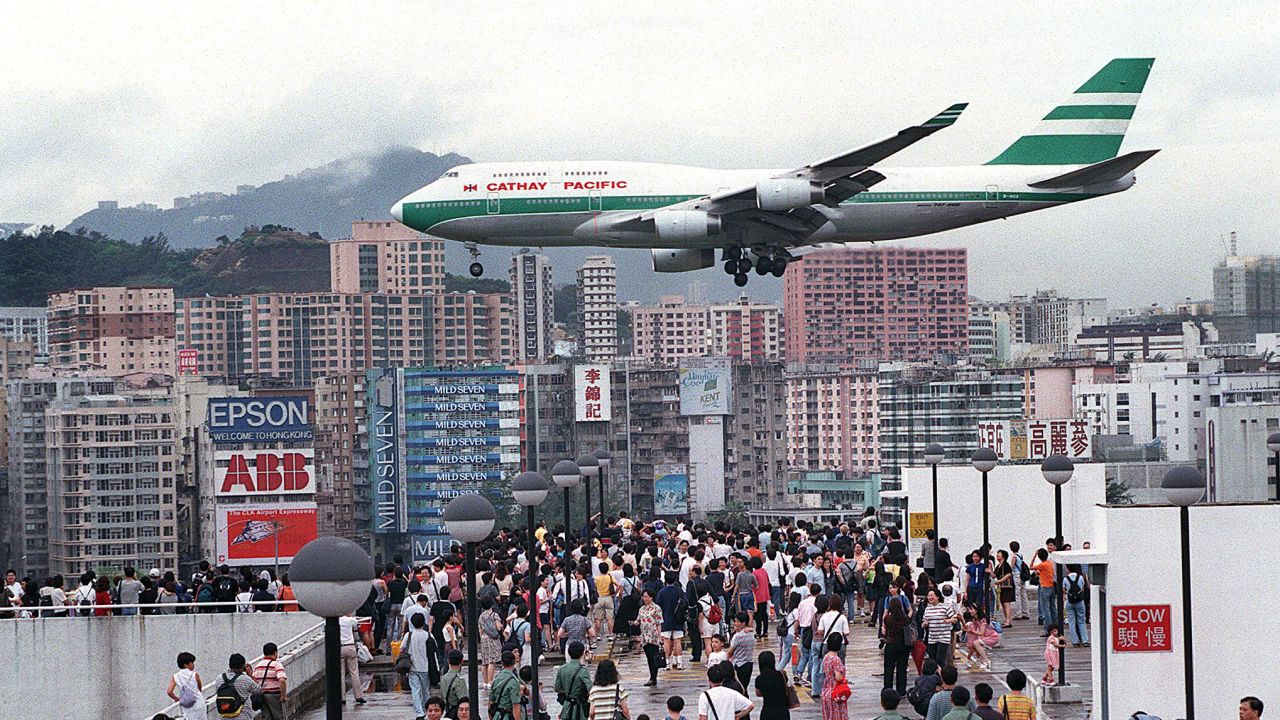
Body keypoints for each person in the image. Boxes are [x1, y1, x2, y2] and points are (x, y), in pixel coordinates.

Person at [881, 587, 910, 696]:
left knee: (889, 668)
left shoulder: (887, 619)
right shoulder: (905, 618)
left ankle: (887, 688)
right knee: (901, 668)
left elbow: (885, 630)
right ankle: (901, 690)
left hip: (891, 644)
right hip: (903, 645)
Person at [216, 653, 262, 720]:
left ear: (229, 665)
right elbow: (259, 690)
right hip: (243, 716)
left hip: (225, 716)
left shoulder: (219, 678)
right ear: (243, 666)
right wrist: (250, 675)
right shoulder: (245, 679)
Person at [656, 572, 687, 670]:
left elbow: (658, 606)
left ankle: (667, 663)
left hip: (665, 619)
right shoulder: (679, 591)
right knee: (678, 641)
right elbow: (685, 603)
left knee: (666, 641)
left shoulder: (661, 592)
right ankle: (679, 663)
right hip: (678, 620)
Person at [405, 613, 433, 720]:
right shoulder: (428, 635)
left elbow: (402, 648)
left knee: (415, 690)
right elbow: (433, 650)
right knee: (425, 689)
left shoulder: (409, 635)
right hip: (425, 667)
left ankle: (419, 712)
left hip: (412, 667)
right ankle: (426, 709)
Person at [250, 642, 288, 720]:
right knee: (279, 717)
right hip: (275, 695)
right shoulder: (276, 665)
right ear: (275, 653)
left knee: (266, 717)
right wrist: (283, 695)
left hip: (262, 695)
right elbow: (282, 680)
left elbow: (254, 681)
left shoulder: (258, 666)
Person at [555, 641, 592, 720]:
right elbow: (590, 689)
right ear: (582, 653)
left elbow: (557, 688)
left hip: (566, 706)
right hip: (580, 708)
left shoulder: (562, 669)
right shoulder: (583, 670)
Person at [919, 589, 954, 670]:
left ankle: (940, 678)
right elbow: (924, 621)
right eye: (928, 596)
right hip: (932, 638)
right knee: (932, 660)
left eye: (932, 595)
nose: (929, 597)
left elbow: (955, 618)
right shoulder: (928, 608)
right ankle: (934, 678)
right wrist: (924, 624)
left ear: (937, 596)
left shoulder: (945, 607)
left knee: (940, 660)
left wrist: (949, 620)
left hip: (943, 637)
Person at [636, 588, 664, 686]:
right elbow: (638, 620)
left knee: (654, 657)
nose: (644, 598)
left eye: (646, 596)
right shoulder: (641, 609)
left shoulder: (656, 608)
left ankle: (653, 677)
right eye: (643, 596)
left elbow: (659, 623)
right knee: (649, 657)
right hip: (644, 636)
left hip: (653, 636)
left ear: (651, 597)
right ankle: (651, 676)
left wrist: (660, 637)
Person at [338, 611, 366, 704]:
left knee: (341, 674)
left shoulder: (336, 620)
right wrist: (350, 615)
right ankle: (358, 696)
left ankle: (342, 698)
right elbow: (357, 625)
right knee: (354, 672)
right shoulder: (350, 620)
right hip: (350, 646)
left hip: (339, 647)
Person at [166, 652, 204, 720]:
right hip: (198, 702)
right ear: (186, 664)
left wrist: (177, 699)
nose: (193, 664)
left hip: (186, 704)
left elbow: (169, 692)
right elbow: (199, 686)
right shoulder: (195, 674)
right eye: (192, 662)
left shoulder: (175, 676)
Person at [753, 651, 789, 720]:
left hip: (767, 711)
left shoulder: (759, 678)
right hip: (782, 711)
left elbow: (758, 693)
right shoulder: (781, 675)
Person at [819, 634, 847, 720]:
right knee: (837, 715)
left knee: (828, 716)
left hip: (826, 689)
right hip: (835, 691)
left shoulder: (826, 657)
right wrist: (844, 679)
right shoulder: (836, 659)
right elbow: (838, 677)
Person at [478, 596, 504, 689]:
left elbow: (480, 629)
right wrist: (500, 626)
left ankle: (485, 682)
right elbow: (498, 627)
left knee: (484, 661)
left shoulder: (481, 616)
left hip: (484, 638)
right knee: (491, 661)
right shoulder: (494, 615)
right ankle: (490, 681)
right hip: (492, 638)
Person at [1030, 547, 1057, 635]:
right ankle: (1056, 626)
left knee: (1045, 609)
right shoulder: (1050, 563)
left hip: (1045, 587)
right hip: (1052, 586)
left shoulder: (1042, 565)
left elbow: (1030, 567)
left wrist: (1034, 556)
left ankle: (1047, 630)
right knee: (1053, 608)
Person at [1062, 564, 1090, 647]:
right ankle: (1085, 640)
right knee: (1081, 621)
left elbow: (1064, 590)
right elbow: (1083, 589)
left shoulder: (1065, 579)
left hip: (1069, 602)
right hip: (1080, 602)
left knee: (1071, 622)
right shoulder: (1081, 578)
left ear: (1068, 568)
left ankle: (1075, 641)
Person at [491, 651, 524, 720]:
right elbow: (515, 706)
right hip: (508, 715)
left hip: (498, 715)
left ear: (502, 663)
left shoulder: (497, 678)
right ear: (514, 662)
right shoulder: (514, 681)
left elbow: (491, 702)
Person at [728, 612, 757, 690]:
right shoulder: (752, 633)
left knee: (739, 688)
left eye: (737, 621)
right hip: (749, 664)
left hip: (738, 665)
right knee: (744, 687)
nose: (735, 623)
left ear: (743, 623)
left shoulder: (737, 636)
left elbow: (730, 652)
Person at [441, 650, 469, 719]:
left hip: (448, 711)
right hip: (458, 713)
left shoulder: (444, 678)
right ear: (462, 661)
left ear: (448, 661)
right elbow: (464, 700)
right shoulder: (459, 680)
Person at [992, 550, 1014, 627]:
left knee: (1006, 603)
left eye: (999, 553)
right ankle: (1006, 619)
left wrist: (1000, 581)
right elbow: (994, 575)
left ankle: (1008, 620)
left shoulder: (1006, 564)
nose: (997, 555)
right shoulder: (998, 566)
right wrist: (989, 571)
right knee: (1003, 603)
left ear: (1003, 556)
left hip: (1006, 586)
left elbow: (1008, 574)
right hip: (1002, 587)